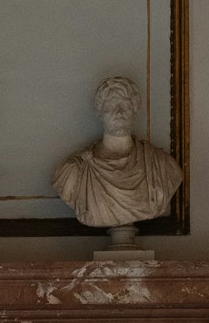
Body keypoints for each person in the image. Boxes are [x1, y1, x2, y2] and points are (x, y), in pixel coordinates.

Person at [52, 74, 183, 244]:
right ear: (100, 112)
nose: (119, 112)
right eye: (111, 105)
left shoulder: (162, 165)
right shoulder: (74, 171)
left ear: (135, 108)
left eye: (125, 105)